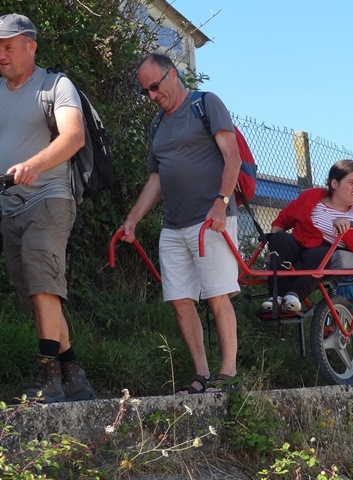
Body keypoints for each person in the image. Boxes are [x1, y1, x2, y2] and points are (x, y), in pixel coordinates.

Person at [119, 53, 242, 395]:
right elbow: (157, 178)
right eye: (146, 92)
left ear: (173, 75)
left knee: (218, 295)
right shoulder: (157, 124)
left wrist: (221, 201)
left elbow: (233, 155)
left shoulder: (206, 104)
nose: (152, 96)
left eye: (155, 87)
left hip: (210, 221)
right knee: (179, 298)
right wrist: (132, 219)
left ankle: (228, 373)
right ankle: (201, 375)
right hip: (172, 225)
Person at [0, 13, 95, 402]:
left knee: (42, 274)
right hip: (9, 207)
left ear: (30, 46)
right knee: (37, 292)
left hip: (49, 197)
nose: (1, 54)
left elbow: (73, 136)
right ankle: (74, 374)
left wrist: (34, 165)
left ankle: (47, 375)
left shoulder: (55, 85)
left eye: (7, 46)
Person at [260, 160, 353, 312]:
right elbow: (283, 220)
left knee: (321, 254)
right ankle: (277, 297)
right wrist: (271, 249)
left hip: (326, 248)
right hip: (300, 240)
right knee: (279, 239)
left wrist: (347, 229)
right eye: (351, 182)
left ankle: (294, 294)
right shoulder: (312, 198)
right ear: (334, 183)